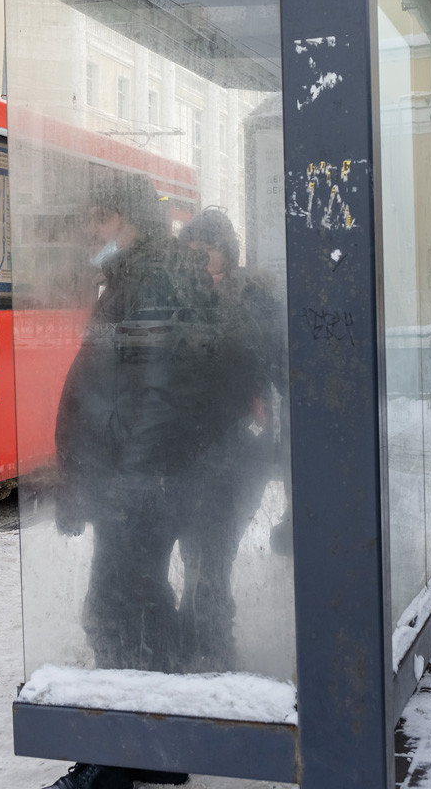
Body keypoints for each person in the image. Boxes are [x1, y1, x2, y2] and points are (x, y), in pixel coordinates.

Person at [42, 175, 207, 789]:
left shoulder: (152, 279)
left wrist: (133, 479)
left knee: (113, 609)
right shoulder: (136, 276)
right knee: (137, 603)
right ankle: (155, 748)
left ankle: (120, 756)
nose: (91, 231)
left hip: (140, 479)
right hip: (132, 475)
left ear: (128, 220)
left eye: (100, 219)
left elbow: (158, 392)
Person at [175, 207, 284, 671]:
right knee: (194, 551)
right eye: (193, 253)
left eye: (209, 252)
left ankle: (215, 646)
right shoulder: (180, 297)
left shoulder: (255, 300)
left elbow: (279, 362)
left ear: (227, 252)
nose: (202, 262)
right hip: (189, 446)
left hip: (242, 446)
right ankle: (194, 632)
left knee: (215, 550)